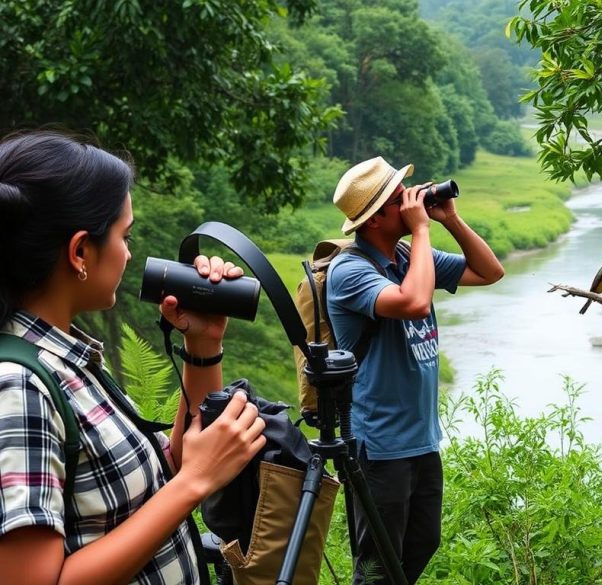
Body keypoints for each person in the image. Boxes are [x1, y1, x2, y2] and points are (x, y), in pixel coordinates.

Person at [0, 130, 267, 585]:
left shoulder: (63, 358)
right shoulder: (19, 386)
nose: (129, 253)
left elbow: (165, 471)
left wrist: (201, 344)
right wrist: (193, 485)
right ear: (80, 251)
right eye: (125, 235)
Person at [327, 157, 504, 583]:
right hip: (379, 445)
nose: (410, 201)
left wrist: (451, 221)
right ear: (374, 219)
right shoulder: (349, 270)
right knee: (378, 565)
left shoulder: (408, 256)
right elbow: (414, 303)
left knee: (422, 544)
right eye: (397, 197)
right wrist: (423, 229)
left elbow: (490, 272)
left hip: (422, 440)